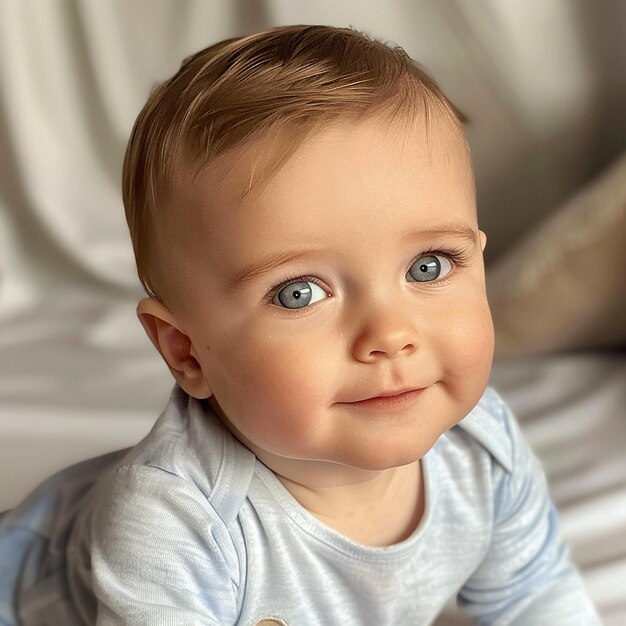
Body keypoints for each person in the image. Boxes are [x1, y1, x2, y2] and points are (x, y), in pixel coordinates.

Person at [0, 25, 601, 625]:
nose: (390, 334)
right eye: (299, 293)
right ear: (186, 352)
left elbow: (537, 593)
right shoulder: (173, 523)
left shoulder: (482, 448)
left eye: (428, 265)